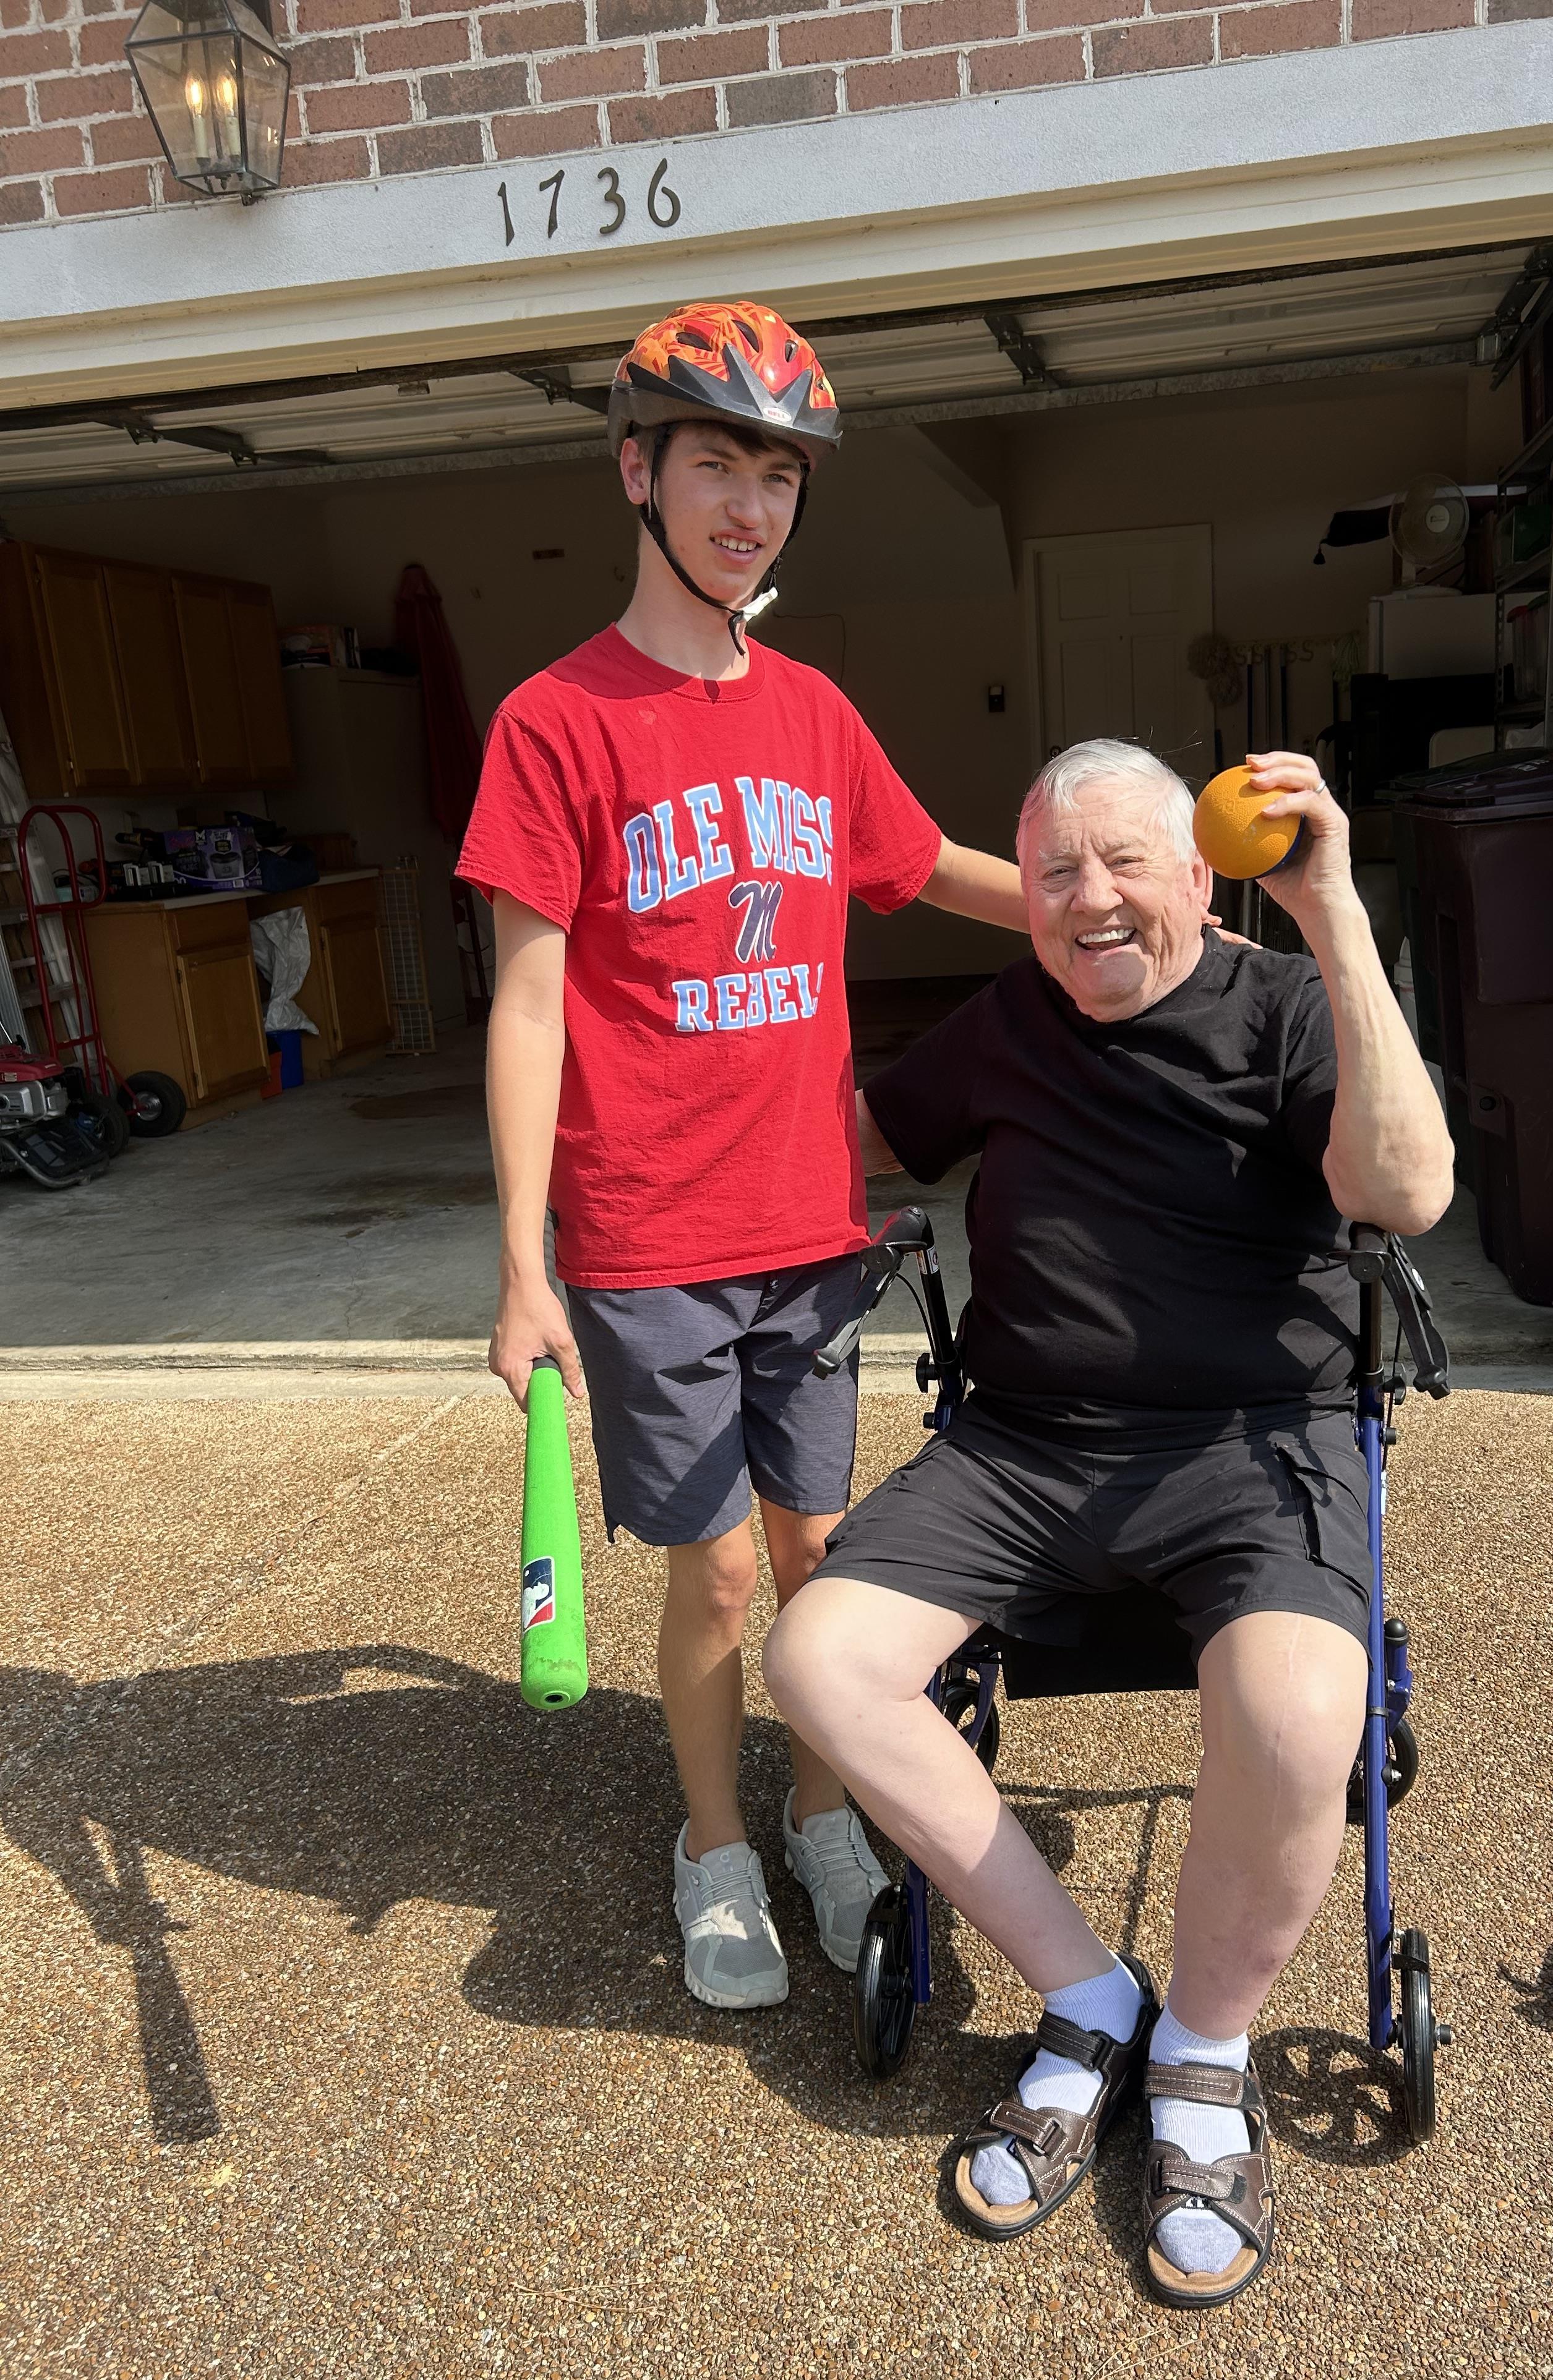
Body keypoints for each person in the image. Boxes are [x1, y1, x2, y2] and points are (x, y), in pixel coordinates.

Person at [763, 737, 1453, 2308]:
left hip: (1246, 1441)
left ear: (1202, 877)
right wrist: (653, 1099)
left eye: (1127, 861)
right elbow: (856, 1137)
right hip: (1017, 1447)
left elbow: (1405, 1196)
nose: (1090, 899)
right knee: (820, 1659)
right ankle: (1088, 1997)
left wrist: (1333, 910)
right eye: (1057, 871)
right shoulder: (1006, 1020)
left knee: (1294, 1712)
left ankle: (1205, 2056)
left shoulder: (1284, 1007)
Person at [456, 301, 1031, 2015]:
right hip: (645, 1237)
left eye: (777, 475)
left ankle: (824, 1803)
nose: (749, 505)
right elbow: (527, 1009)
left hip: (809, 1224)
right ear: (639, 471)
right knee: (711, 1568)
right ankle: (713, 1840)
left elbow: (924, 862)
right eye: (717, 462)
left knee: (824, 1558)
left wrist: (1107, 896)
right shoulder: (556, 725)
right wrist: (520, 1267)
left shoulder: (813, 714)